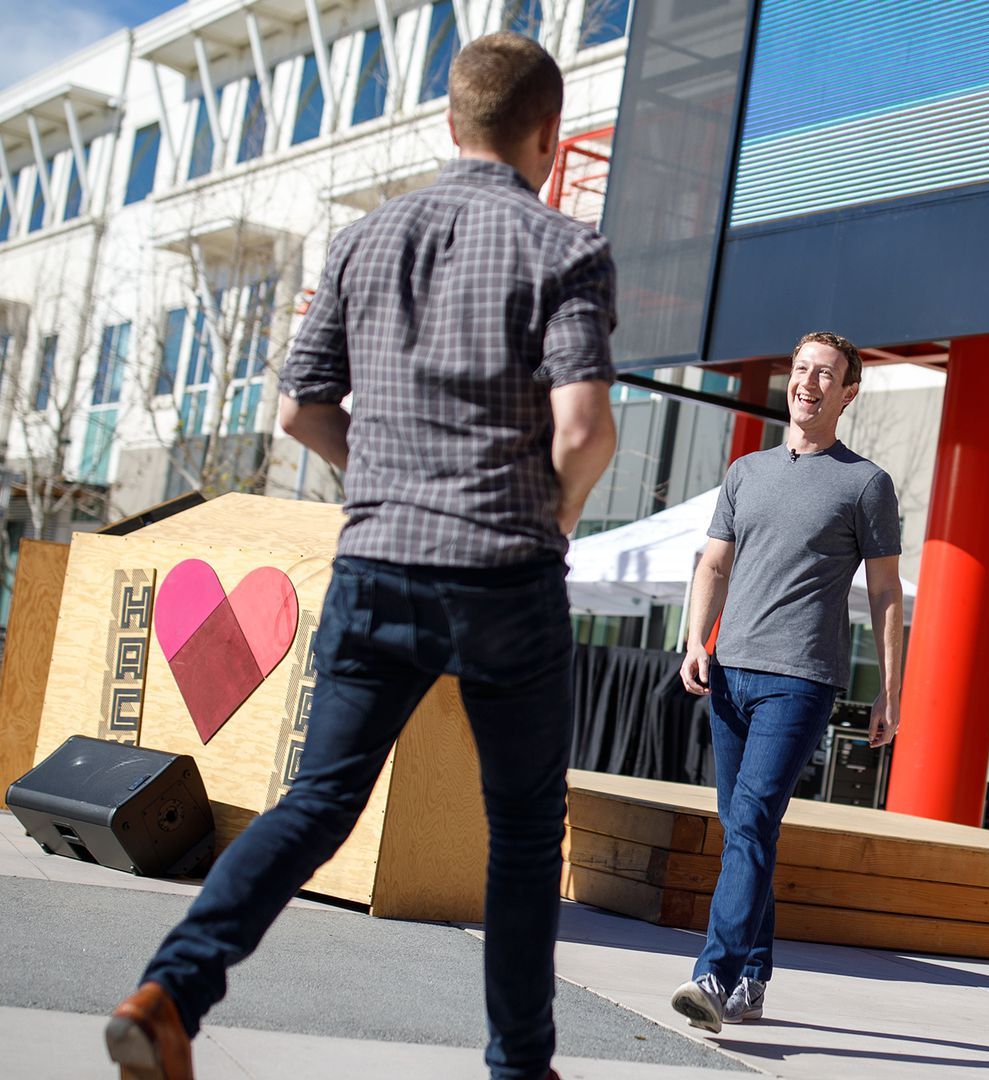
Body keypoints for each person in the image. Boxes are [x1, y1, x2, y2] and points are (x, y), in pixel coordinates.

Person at [103, 33, 617, 1080]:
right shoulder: (565, 249)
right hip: (506, 571)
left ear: (448, 124)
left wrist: (383, 479)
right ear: (549, 137)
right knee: (522, 829)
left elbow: (298, 407)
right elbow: (585, 432)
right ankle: (521, 1067)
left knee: (318, 799)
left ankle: (171, 994)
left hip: (379, 559)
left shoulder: (366, 240)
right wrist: (546, 526)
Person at [671, 331, 906, 1032]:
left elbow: (887, 592)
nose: (808, 382)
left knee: (748, 823)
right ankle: (753, 978)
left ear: (847, 393)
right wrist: (695, 640)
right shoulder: (746, 472)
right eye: (801, 370)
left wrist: (891, 691)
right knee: (749, 828)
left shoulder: (866, 483)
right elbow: (713, 564)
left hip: (801, 679)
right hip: (731, 670)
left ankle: (713, 975)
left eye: (824, 374)